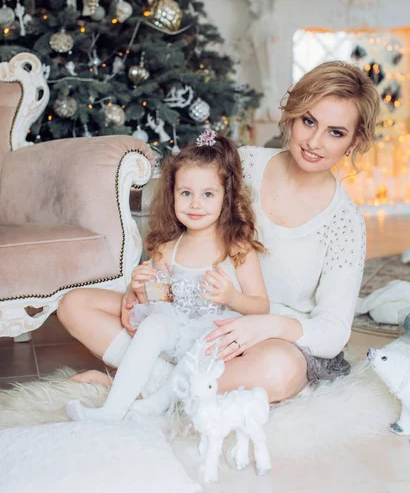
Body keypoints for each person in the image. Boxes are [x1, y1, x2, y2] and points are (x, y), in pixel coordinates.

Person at [58, 60, 380, 405]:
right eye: (309, 121)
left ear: (355, 140)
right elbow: (182, 230)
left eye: (335, 132)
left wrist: (266, 326)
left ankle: (146, 382)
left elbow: (333, 330)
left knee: (278, 370)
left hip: (271, 338)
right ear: (292, 115)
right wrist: (143, 291)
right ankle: (161, 383)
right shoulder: (246, 164)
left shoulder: (345, 222)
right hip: (191, 311)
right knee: (75, 304)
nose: (315, 141)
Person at [65, 130, 269, 422]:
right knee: (154, 325)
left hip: (211, 338)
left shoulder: (236, 247)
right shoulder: (166, 248)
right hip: (175, 328)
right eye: (186, 193)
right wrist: (142, 288)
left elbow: (262, 305)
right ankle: (112, 410)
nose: (195, 204)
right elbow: (166, 298)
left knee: (210, 341)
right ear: (172, 194)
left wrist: (232, 297)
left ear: (226, 197)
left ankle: (159, 403)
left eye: (208, 194)